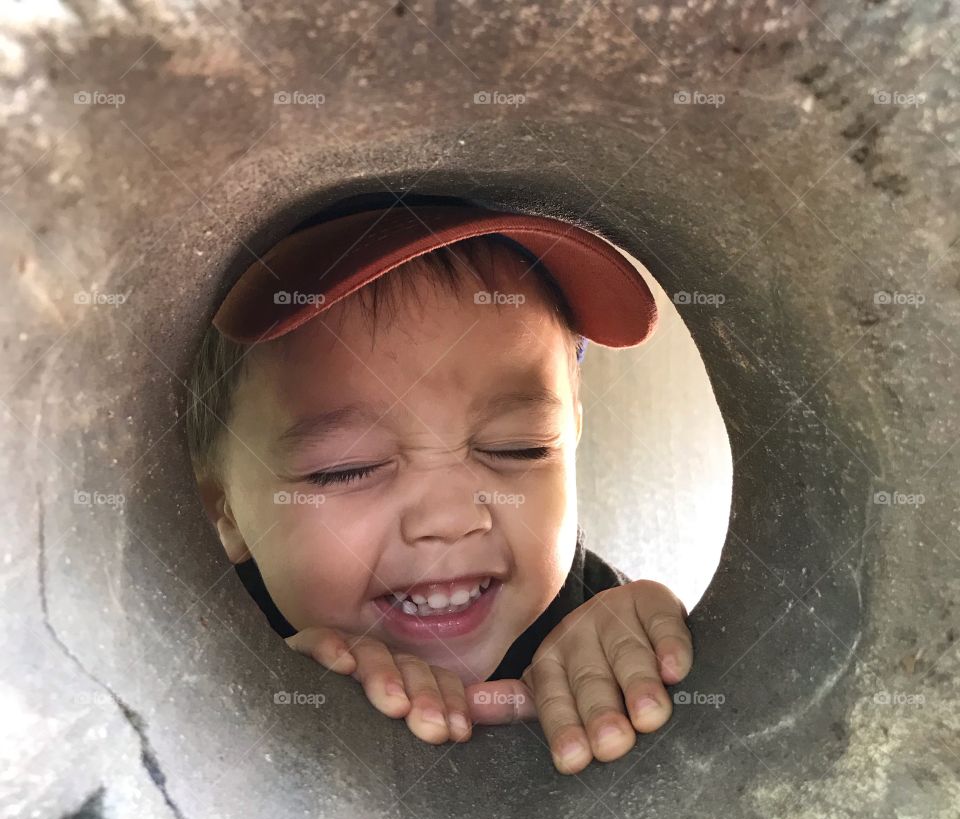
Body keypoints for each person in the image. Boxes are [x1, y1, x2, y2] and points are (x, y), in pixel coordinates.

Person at [185, 193, 693, 774]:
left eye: (517, 446)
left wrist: (643, 655)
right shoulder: (205, 641)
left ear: (573, 432)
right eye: (348, 467)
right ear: (219, 510)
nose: (453, 517)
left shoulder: (591, 622)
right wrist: (259, 687)